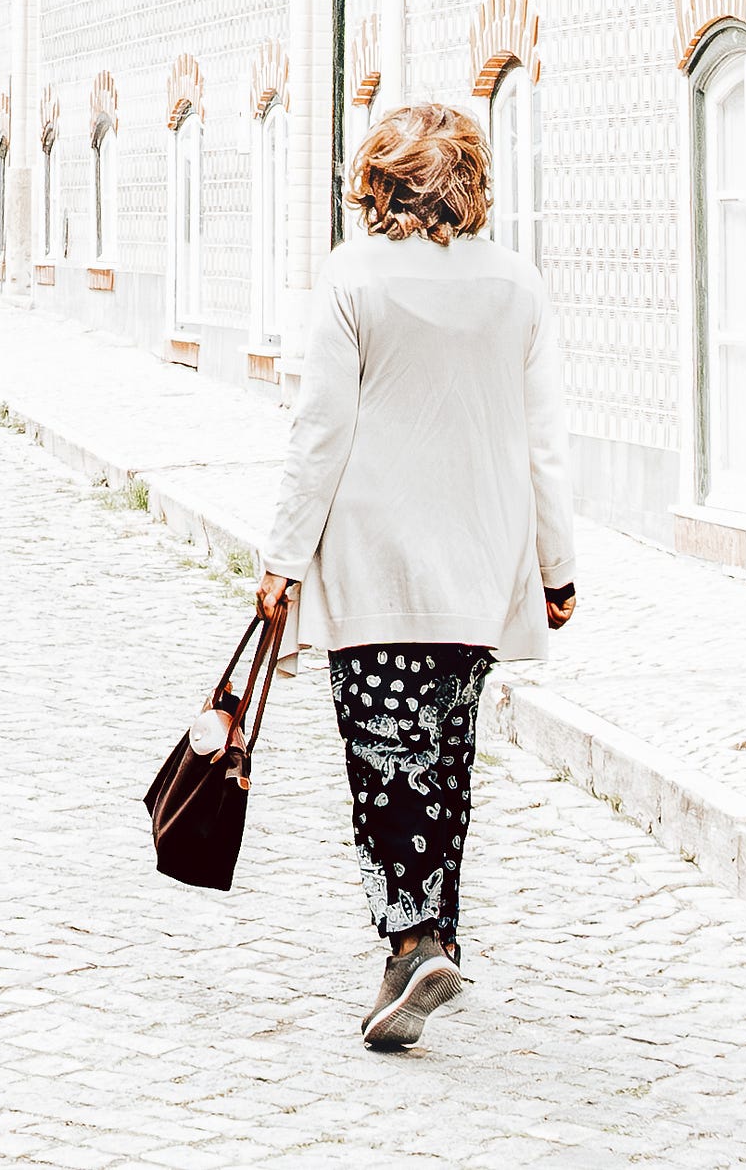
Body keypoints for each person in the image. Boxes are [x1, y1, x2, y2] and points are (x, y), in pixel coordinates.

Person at [256, 103, 576, 1052]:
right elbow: (545, 448)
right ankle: (436, 932)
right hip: (476, 570)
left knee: (383, 764)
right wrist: (557, 571)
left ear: (379, 183)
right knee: (444, 761)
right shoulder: (517, 286)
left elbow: (320, 433)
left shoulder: (354, 277)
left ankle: (411, 940)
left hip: (376, 569)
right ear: (469, 183)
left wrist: (280, 561)